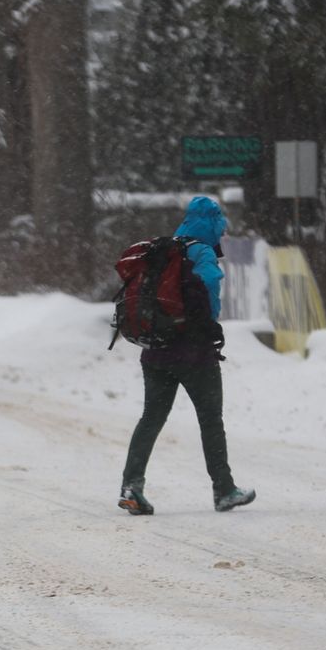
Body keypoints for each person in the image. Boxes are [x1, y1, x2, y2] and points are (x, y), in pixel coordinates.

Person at [118, 196, 256, 515]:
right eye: (219, 223)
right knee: (210, 420)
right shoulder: (200, 251)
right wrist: (208, 325)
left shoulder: (164, 250)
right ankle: (224, 490)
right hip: (193, 353)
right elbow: (209, 287)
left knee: (151, 418)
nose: (222, 230)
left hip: (155, 350)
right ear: (211, 222)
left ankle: (131, 486)